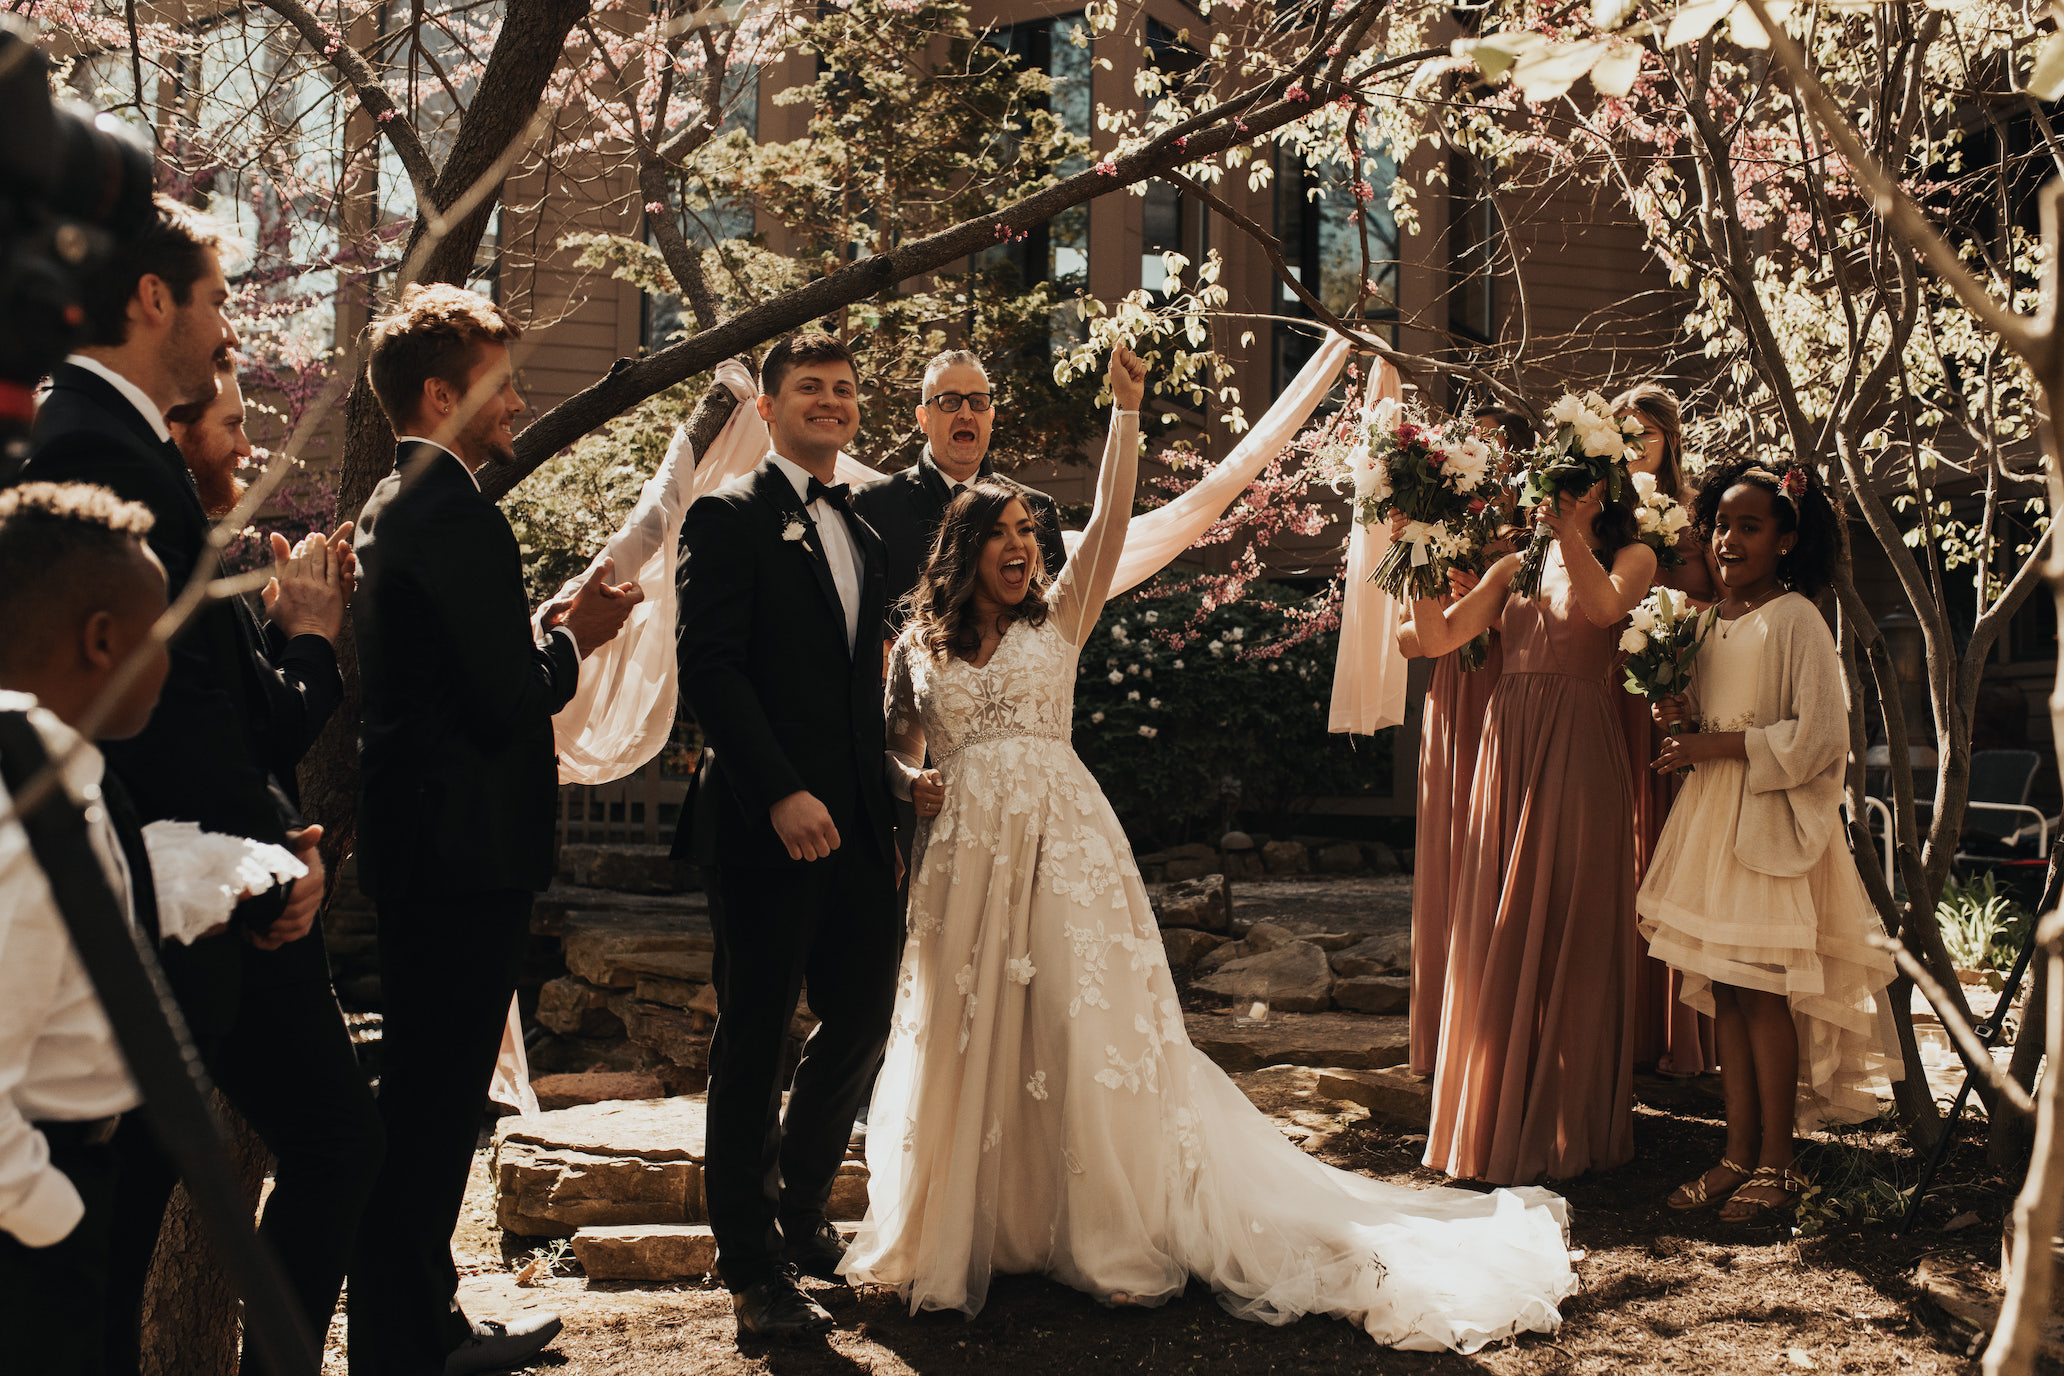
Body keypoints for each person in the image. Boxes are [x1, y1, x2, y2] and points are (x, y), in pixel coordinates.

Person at [840, 347, 1577, 1352]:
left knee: (1077, 1028)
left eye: (1029, 533)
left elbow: (1107, 523)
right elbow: (890, 747)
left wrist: (1127, 415)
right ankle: (977, 1226)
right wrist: (905, 782)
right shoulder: (916, 647)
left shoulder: (1061, 617)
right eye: (1002, 533)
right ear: (963, 546)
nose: (1022, 548)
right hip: (962, 862)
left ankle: (1110, 1236)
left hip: (1065, 850)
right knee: (972, 1037)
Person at [13, 196, 382, 1376]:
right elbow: (131, 712)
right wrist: (255, 863)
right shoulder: (89, 446)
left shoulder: (123, 440)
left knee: (308, 1149)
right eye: (218, 298)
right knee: (109, 1241)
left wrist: (275, 842)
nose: (230, 327)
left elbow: (194, 698)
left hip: (209, 875)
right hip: (149, 896)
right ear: (151, 298)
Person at [349, 283, 640, 1375]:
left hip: (427, 847)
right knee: (431, 1109)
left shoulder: (395, 504)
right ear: (440, 391)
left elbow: (455, 662)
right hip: (466, 851)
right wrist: (585, 640)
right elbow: (503, 701)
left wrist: (535, 630)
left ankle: (423, 1323)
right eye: (499, 380)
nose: (518, 398)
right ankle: (404, 1342)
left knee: (428, 1099)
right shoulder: (457, 512)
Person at [0, 482, 304, 1376]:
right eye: (162, 639)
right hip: (37, 1208)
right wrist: (52, 1216)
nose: (174, 665)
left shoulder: (63, 773)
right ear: (101, 641)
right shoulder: (28, 817)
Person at [675, 331, 900, 1340]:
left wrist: (881, 811)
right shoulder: (727, 516)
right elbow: (711, 668)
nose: (831, 401)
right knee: (754, 1040)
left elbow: (863, 698)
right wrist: (779, 791)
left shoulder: (865, 531)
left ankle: (800, 1206)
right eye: (809, 387)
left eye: (845, 389)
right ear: (767, 408)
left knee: (862, 1014)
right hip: (765, 825)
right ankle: (751, 1268)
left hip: (858, 826)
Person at [1640, 459, 1900, 1222]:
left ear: (1786, 539)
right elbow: (1713, 721)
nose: (1727, 540)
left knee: (1762, 994)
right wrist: (1679, 722)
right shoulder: (1706, 621)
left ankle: (1778, 1164)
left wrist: (1712, 748)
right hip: (1713, 819)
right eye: (1720, 524)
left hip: (1767, 822)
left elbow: (1822, 736)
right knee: (1725, 989)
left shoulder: (1795, 619)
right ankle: (1734, 1152)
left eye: (1748, 527)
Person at [1409, 469, 1657, 1185]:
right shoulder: (1515, 565)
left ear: (1602, 493)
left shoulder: (1630, 557)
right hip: (1508, 741)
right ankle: (1492, 1119)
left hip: (1578, 740)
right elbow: (1436, 640)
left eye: (1577, 487)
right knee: (1498, 920)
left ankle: (1568, 1124)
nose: (1556, 499)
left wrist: (1569, 532)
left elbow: (1607, 611)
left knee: (1570, 923)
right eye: (1555, 488)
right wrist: (1421, 558)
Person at [1395, 405, 1528, 1079]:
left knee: (1508, 852)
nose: (1489, 464)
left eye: (1501, 453)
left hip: (1522, 694)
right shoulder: (1434, 529)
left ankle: (1506, 1031)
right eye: (1478, 450)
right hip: (1457, 693)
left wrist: (1487, 603)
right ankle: (1450, 1034)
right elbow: (1408, 638)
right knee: (1455, 852)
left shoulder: (1540, 533)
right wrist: (1443, 604)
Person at [1610, 383, 1719, 1080]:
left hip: (1670, 694)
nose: (1633, 446)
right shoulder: (1602, 513)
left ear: (1671, 441)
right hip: (1607, 694)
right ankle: (1622, 1019)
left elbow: (1714, 598)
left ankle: (1679, 1031)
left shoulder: (1696, 519)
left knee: (1671, 852)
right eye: (1623, 434)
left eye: (1645, 434)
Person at [850, 348, 1067, 630]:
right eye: (950, 401)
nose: (966, 414)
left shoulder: (1037, 509)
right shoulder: (872, 506)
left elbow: (1059, 620)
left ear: (990, 417)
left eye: (977, 402)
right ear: (923, 418)